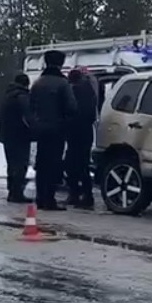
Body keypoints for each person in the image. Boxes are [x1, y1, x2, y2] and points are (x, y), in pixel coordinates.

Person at [26, 49, 77, 210]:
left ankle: (40, 197)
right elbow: (72, 107)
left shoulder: (38, 83)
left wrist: (35, 123)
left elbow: (30, 107)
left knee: (41, 163)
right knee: (54, 163)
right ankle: (49, 198)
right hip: (57, 129)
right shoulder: (63, 83)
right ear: (60, 64)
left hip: (40, 129)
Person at [65, 69, 99, 209]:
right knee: (82, 164)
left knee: (71, 163)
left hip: (75, 131)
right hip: (86, 132)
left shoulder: (75, 91)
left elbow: (71, 110)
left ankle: (76, 194)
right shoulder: (89, 91)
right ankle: (86, 195)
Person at [0, 73, 33, 204]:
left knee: (12, 164)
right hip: (20, 135)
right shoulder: (22, 96)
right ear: (26, 84)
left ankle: (12, 190)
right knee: (20, 165)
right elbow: (28, 117)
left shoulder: (8, 95)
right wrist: (35, 129)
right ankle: (17, 193)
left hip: (7, 136)